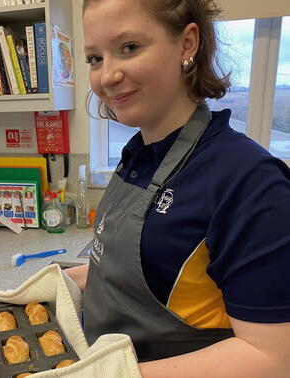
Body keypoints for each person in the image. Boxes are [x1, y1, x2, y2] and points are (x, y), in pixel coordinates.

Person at [64, 0, 290, 376]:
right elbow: (130, 273)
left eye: (129, 47)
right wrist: (63, 285)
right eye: (94, 58)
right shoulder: (137, 158)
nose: (106, 75)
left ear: (187, 44)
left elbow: (273, 358)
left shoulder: (251, 184)